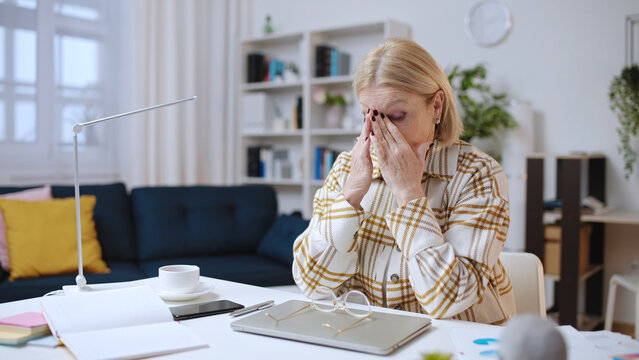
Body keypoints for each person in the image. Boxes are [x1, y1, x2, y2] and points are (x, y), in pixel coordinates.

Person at [292, 38, 516, 324]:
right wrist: (350, 198)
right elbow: (312, 282)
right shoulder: (348, 167)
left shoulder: (478, 174)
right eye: (368, 116)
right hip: (368, 339)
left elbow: (448, 299)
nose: (378, 132)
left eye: (397, 116)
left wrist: (409, 193)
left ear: (436, 105)